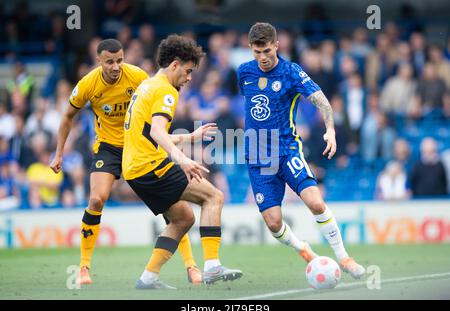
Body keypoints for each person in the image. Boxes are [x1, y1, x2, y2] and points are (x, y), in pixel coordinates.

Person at [50, 39, 203, 285]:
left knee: (172, 207)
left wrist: (171, 142)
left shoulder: (137, 76)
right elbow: (68, 116)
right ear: (98, 61)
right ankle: (84, 267)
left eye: (120, 60)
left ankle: (191, 266)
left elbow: (156, 115)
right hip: (109, 148)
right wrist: (58, 154)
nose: (116, 66)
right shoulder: (88, 84)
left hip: (139, 145)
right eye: (109, 61)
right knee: (96, 199)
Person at [237, 22, 365, 279]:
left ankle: (344, 257)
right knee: (273, 223)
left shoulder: (291, 72)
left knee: (316, 203)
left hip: (287, 151)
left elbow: (322, 101)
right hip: (259, 158)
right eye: (257, 52)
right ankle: (304, 250)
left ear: (277, 45)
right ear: (251, 48)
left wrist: (330, 129)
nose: (262, 58)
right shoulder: (243, 72)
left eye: (267, 51)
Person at [122, 34, 243, 289]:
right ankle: (212, 266)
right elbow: (156, 132)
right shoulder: (166, 90)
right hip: (150, 166)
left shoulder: (147, 85)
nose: (189, 78)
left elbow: (149, 132)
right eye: (188, 71)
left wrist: (190, 137)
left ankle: (148, 278)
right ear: (175, 64)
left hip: (134, 170)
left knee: (184, 218)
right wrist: (183, 160)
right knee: (214, 197)